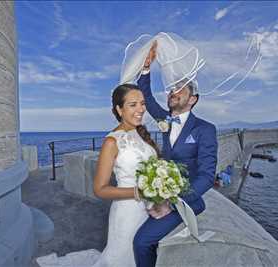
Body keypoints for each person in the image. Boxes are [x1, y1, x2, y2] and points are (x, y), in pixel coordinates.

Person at [37, 84, 160, 267]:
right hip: (128, 213)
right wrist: (139, 192)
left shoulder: (140, 134)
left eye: (142, 103)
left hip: (151, 209)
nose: (141, 109)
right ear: (119, 109)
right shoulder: (112, 142)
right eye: (133, 104)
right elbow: (100, 189)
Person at [133, 42, 218, 267]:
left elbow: (208, 176)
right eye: (172, 88)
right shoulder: (165, 119)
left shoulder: (205, 129)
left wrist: (172, 203)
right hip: (164, 191)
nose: (173, 91)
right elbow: (147, 98)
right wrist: (146, 68)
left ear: (193, 99)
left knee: (141, 242)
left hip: (186, 200)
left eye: (180, 89)